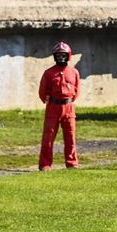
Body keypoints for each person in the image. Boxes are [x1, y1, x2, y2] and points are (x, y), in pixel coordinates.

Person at [38, 41, 80, 170]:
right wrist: (48, 100)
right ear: (55, 57)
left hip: (69, 107)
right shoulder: (49, 73)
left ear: (68, 56)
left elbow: (77, 90)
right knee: (48, 137)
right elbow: (42, 91)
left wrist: (70, 100)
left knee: (70, 137)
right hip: (53, 107)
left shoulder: (74, 72)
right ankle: (45, 164)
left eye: (63, 55)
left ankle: (72, 163)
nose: (61, 58)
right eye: (58, 55)